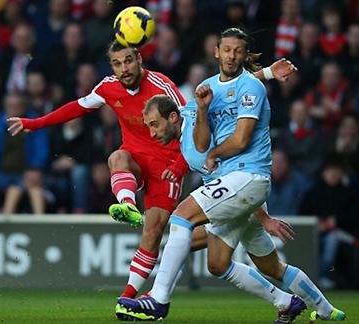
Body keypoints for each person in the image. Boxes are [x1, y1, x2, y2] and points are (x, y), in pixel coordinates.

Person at [7, 38, 298, 300]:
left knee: (155, 232)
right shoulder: (107, 87)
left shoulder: (162, 87)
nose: (124, 68)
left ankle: (129, 294)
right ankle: (126, 205)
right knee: (116, 158)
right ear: (112, 66)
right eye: (117, 63)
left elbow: (189, 122)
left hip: (167, 164)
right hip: (136, 158)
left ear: (140, 60)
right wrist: (33, 124)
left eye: (128, 61)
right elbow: (77, 107)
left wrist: (181, 165)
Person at [117, 28, 345, 323]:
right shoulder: (194, 108)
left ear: (171, 117)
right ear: (216, 52)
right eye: (148, 127)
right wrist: (262, 217)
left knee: (181, 218)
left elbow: (238, 108)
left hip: (244, 178)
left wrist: (267, 75)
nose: (152, 132)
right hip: (237, 191)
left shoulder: (207, 112)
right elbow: (224, 94)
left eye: (154, 125)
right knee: (230, 264)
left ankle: (158, 300)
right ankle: (316, 309)